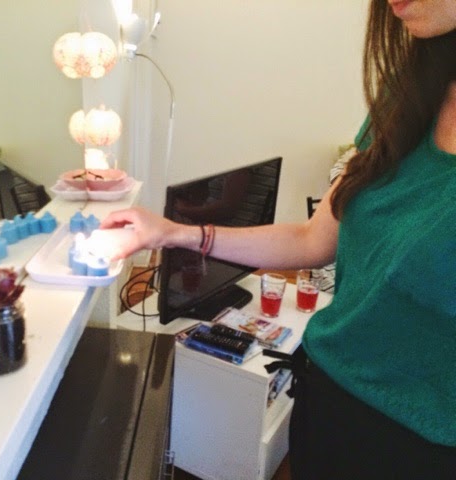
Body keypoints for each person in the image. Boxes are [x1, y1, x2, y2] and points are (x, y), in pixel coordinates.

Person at [100, 1, 456, 478]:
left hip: (424, 443)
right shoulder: (405, 100)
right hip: (328, 394)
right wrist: (174, 233)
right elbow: (312, 239)